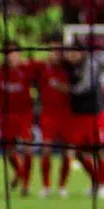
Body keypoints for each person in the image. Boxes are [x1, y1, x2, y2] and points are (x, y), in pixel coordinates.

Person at [63, 43, 104, 198]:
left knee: (98, 150)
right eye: (69, 53)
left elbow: (84, 87)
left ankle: (103, 185)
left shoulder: (89, 64)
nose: (71, 56)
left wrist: (66, 89)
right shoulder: (68, 66)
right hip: (78, 115)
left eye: (74, 53)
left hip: (95, 114)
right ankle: (95, 182)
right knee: (78, 152)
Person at [0, 44, 37, 196]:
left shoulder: (28, 68)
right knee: (9, 151)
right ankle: (19, 173)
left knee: (27, 147)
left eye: (15, 53)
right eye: (9, 53)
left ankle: (25, 185)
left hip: (24, 114)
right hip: (6, 114)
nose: (12, 56)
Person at [36, 46, 72, 198]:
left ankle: (62, 186)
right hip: (48, 115)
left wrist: (61, 87)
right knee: (46, 150)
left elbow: (74, 89)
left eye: (58, 51)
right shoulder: (42, 68)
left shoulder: (69, 70)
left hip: (67, 115)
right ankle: (46, 186)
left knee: (67, 152)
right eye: (52, 50)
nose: (55, 54)